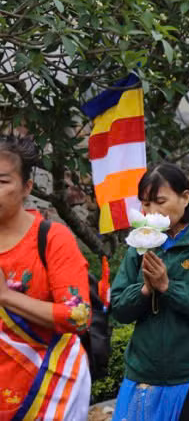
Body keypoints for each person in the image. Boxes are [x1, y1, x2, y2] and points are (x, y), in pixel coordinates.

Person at [112, 163, 189, 420]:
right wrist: (145, 290)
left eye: (160, 201)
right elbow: (119, 308)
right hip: (142, 370)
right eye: (145, 204)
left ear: (185, 197)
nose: (152, 211)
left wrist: (168, 287)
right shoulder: (140, 243)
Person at [0, 136, 91, 420]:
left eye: (1, 181)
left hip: (48, 388)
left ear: (27, 187)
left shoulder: (52, 239)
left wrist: (6, 296)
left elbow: (78, 316)